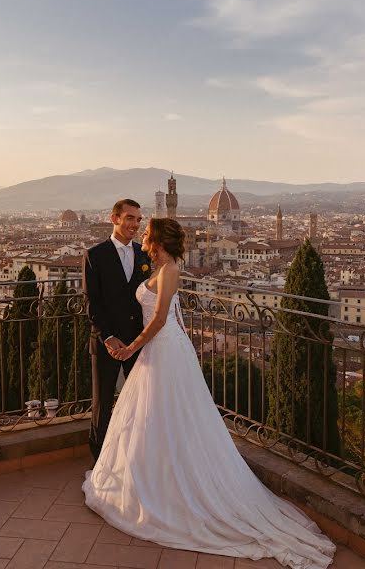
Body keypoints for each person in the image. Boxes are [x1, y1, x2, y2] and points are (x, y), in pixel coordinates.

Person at [82, 217, 335, 569]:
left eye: (146, 231)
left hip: (162, 349)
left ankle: (171, 489)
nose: (141, 234)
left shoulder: (169, 271)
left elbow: (157, 320)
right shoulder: (159, 267)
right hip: (159, 352)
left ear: (158, 240)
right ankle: (157, 482)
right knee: (154, 418)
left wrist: (131, 347)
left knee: (165, 416)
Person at [82, 199, 152, 460]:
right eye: (130, 218)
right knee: (102, 403)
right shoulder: (95, 255)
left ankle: (133, 458)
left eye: (138, 219)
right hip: (106, 343)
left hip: (136, 342)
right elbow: (92, 302)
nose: (135, 224)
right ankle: (98, 461)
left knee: (138, 402)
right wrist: (108, 337)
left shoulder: (144, 253)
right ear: (115, 218)